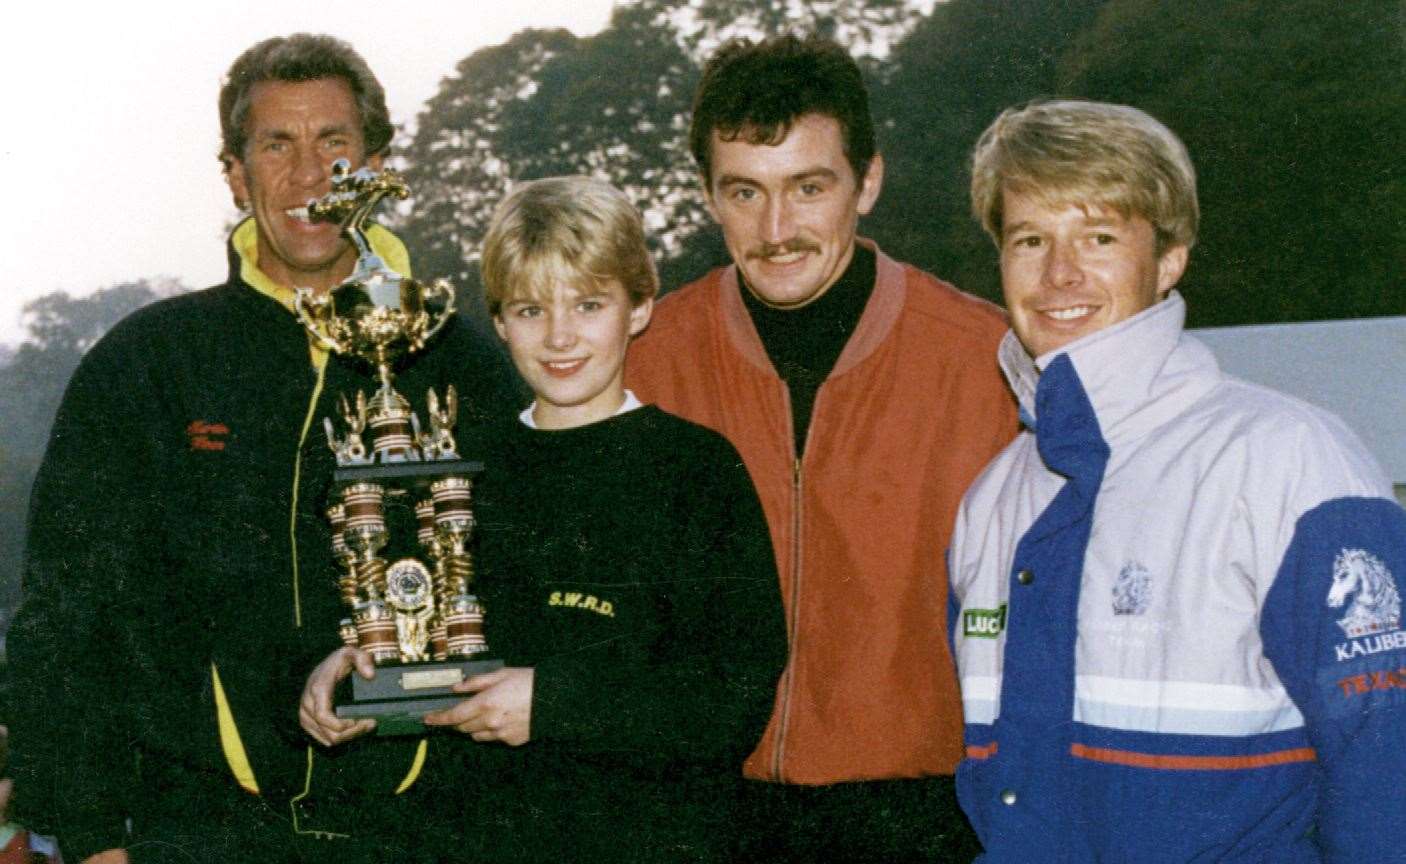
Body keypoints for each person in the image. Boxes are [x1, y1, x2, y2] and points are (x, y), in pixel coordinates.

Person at [6, 34, 521, 864]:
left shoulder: (462, 362)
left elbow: (524, 595)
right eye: (276, 145)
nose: (308, 174)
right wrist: (95, 835)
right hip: (192, 833)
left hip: (429, 835)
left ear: (378, 164)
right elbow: (68, 618)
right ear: (236, 175)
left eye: (334, 143)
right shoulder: (147, 364)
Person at [948, 98, 1406, 862]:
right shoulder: (991, 503)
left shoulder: (1291, 461)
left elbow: (1387, 772)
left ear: (1169, 259)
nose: (1060, 273)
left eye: (1098, 237)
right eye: (1031, 239)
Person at [301, 175, 787, 862]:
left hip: (656, 841)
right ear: (498, 321)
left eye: (589, 304)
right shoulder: (458, 471)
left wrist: (551, 705)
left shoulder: (696, 470)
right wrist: (351, 666)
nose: (560, 337)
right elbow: (414, 637)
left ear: (640, 306)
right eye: (530, 311)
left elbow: (734, 698)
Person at [624, 34, 1019, 862]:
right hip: (703, 814)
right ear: (707, 195)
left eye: (809, 188)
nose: (777, 229)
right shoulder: (646, 360)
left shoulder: (986, 361)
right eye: (744, 192)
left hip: (920, 818)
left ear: (867, 181)